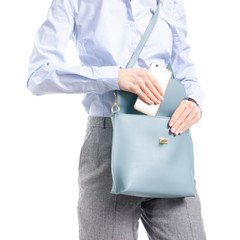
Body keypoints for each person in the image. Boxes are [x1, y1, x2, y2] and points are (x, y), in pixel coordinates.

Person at [27, 0, 207, 239]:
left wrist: (194, 100)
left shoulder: (169, 2)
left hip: (167, 139)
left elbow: (185, 70)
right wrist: (115, 77)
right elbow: (38, 75)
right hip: (107, 146)